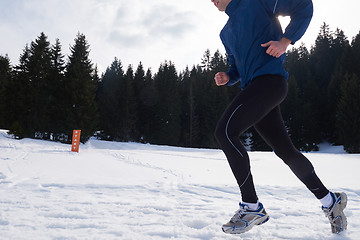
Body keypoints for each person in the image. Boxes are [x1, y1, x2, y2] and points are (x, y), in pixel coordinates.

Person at [210, 0, 347, 234]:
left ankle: (251, 206)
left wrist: (285, 41)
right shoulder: (225, 33)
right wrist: (228, 76)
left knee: (225, 132)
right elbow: (236, 68)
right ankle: (329, 201)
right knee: (285, 151)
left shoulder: (255, 3)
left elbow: (303, 6)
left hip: (270, 83)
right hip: (254, 89)